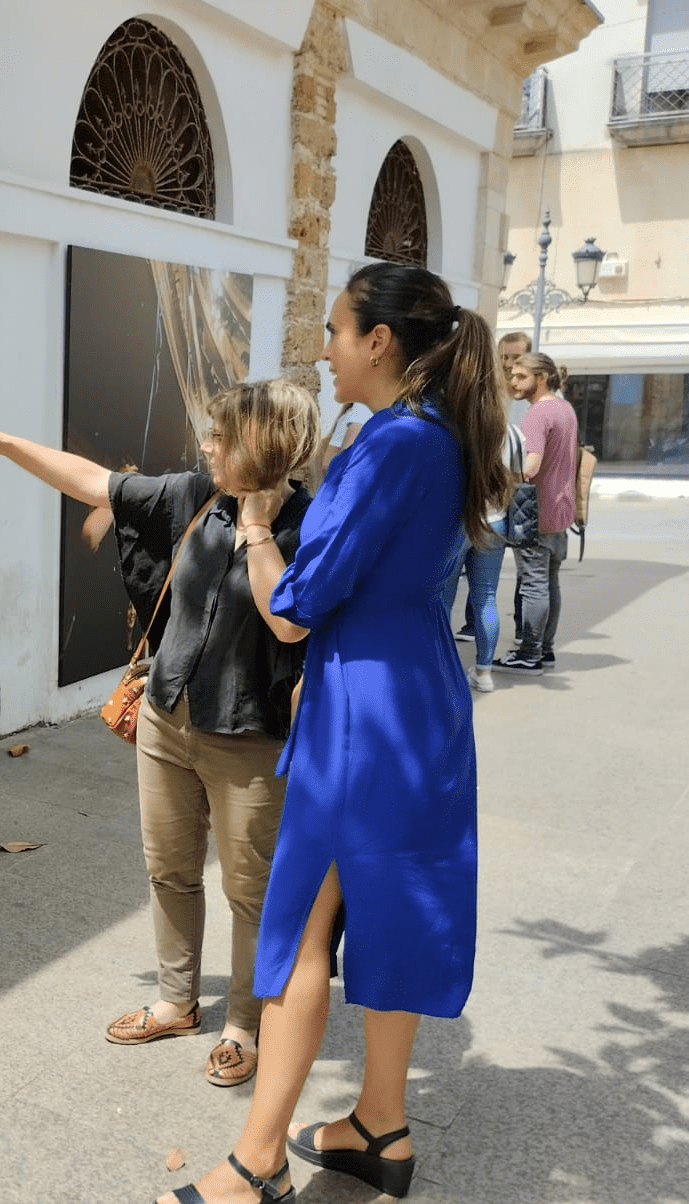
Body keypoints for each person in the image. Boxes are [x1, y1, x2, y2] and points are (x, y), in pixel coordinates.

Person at [161, 263, 507, 1204]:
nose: (324, 348)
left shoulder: (389, 444)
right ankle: (379, 1127)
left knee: (302, 927)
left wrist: (258, 528)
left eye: (334, 330)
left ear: (379, 342)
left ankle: (256, 1159)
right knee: (391, 908)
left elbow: (292, 613)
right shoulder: (446, 438)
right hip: (424, 695)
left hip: (361, 706)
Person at [0, 379, 322, 1089]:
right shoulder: (191, 496)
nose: (207, 445)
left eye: (222, 435)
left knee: (252, 890)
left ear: (262, 444)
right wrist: (3, 444)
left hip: (251, 736)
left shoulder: (311, 524)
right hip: (166, 717)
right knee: (169, 870)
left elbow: (290, 622)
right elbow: (97, 483)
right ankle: (177, 1002)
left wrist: (260, 529)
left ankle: (244, 1024)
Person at [494, 351, 578, 675]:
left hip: (535, 510)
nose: (512, 382)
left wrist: (500, 473)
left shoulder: (537, 414)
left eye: (519, 376)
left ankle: (529, 653)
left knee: (533, 583)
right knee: (550, 582)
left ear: (540, 378)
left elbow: (530, 466)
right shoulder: (565, 409)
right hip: (560, 509)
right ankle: (545, 650)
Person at [456, 329, 532, 645]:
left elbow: (526, 464)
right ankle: (476, 635)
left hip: (497, 505)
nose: (508, 364)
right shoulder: (491, 393)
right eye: (504, 357)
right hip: (492, 508)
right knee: (484, 588)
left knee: (495, 585)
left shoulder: (529, 403)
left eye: (516, 358)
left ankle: (523, 638)